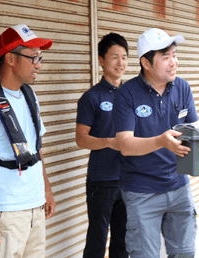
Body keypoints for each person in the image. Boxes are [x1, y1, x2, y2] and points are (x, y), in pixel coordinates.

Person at [0, 24, 56, 258]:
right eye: (33, 57)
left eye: (40, 57)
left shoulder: (30, 95)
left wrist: (46, 189)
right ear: (10, 59)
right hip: (5, 212)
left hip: (35, 207)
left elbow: (36, 148)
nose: (39, 64)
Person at [114, 28, 198, 258]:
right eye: (165, 57)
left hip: (179, 187)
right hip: (142, 192)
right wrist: (161, 141)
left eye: (174, 55)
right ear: (146, 63)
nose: (174, 63)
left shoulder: (182, 87)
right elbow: (125, 144)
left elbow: (194, 132)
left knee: (185, 253)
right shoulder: (127, 94)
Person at [76, 32, 129, 258]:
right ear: (101, 59)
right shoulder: (92, 97)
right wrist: (109, 142)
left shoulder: (132, 95)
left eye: (125, 57)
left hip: (128, 179)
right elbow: (81, 139)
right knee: (97, 241)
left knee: (123, 242)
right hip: (101, 180)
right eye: (114, 57)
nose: (121, 63)